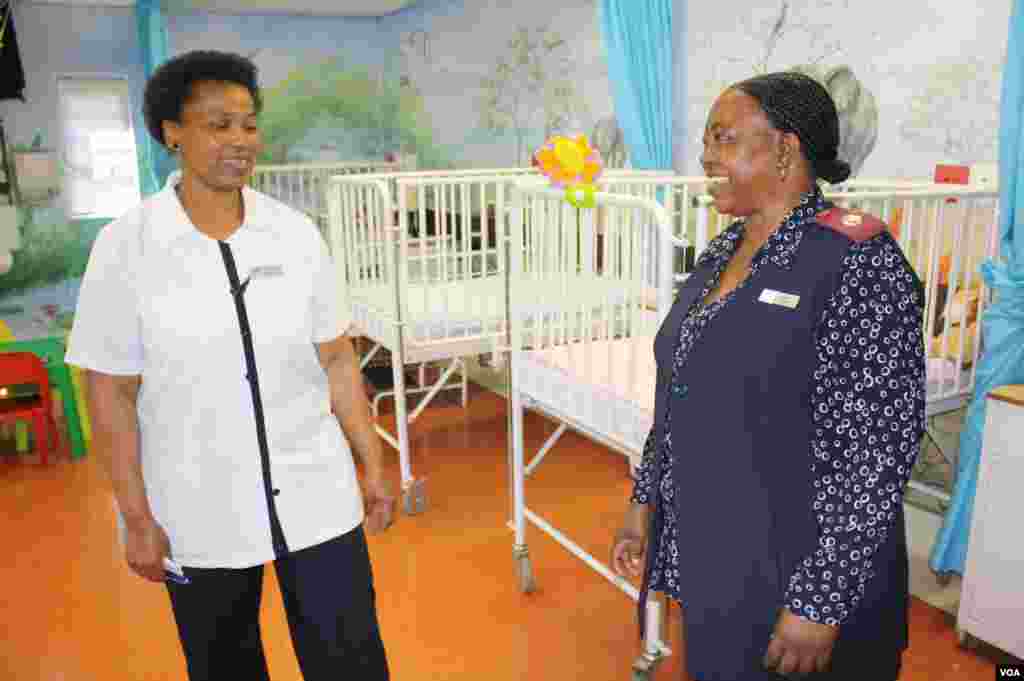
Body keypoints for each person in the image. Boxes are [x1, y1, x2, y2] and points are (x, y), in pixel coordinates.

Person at [67, 50, 395, 681]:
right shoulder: (126, 247)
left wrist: (373, 464)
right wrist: (136, 518)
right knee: (225, 665)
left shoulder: (295, 236)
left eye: (248, 124)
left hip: (315, 494)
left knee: (351, 661)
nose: (240, 141)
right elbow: (108, 394)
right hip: (196, 505)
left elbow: (337, 360)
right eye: (218, 125)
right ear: (172, 132)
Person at [611, 72, 926, 680]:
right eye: (708, 140)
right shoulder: (721, 253)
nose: (706, 156)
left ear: (785, 151)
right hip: (718, 560)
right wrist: (644, 501)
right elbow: (678, 393)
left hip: (797, 575)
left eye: (724, 138)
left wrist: (821, 601)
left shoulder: (857, 262)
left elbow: (877, 452)